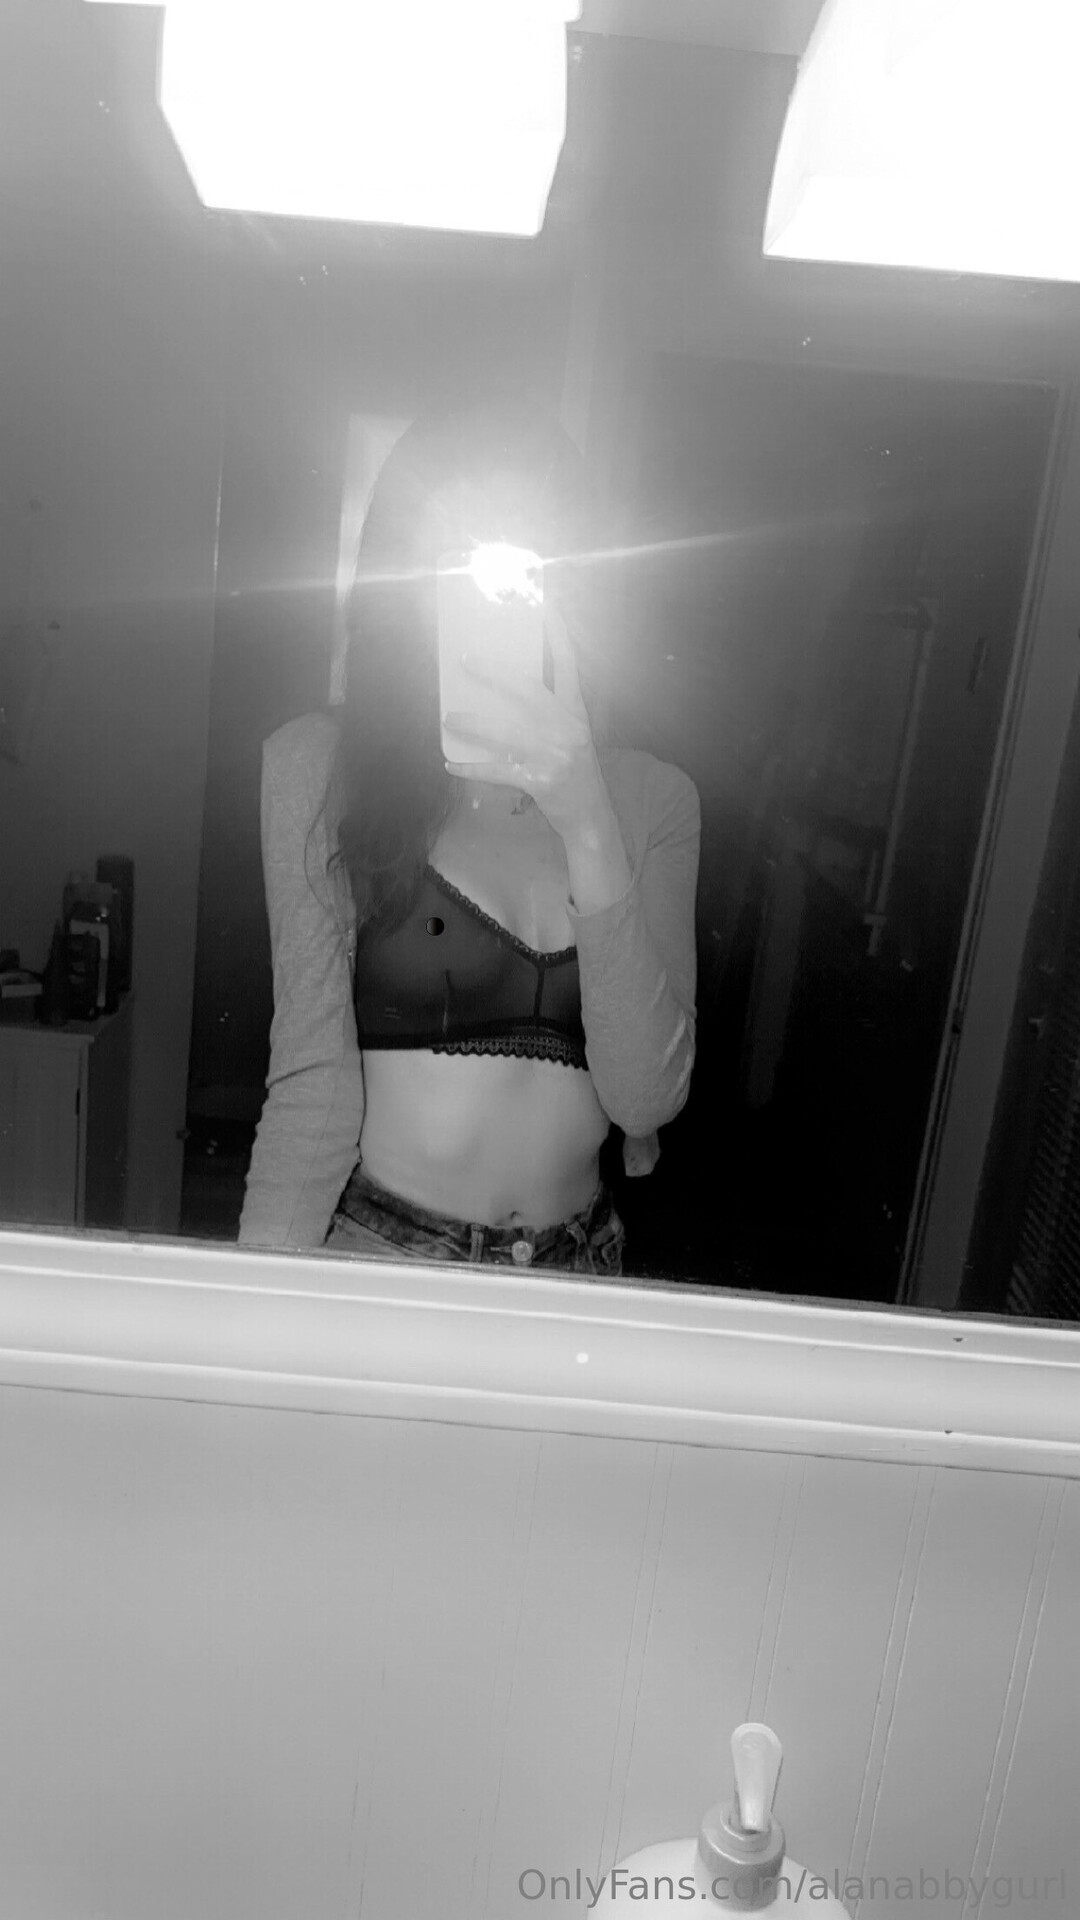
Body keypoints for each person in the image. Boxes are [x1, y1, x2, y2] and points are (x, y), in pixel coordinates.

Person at [238, 398, 699, 1276]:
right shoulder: (320, 769)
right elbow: (311, 1091)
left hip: (577, 1276)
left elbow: (645, 1099)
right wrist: (254, 1315)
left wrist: (586, 815)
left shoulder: (652, 800)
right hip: (382, 1260)